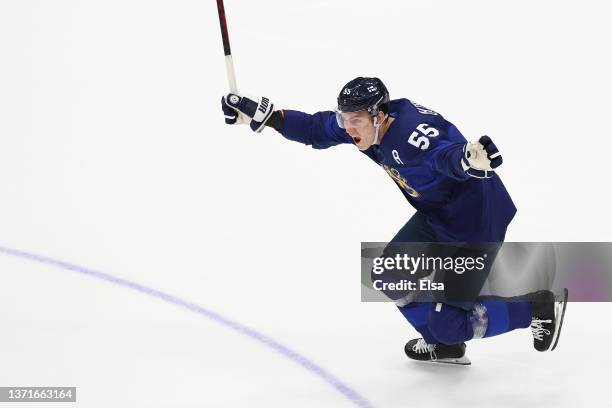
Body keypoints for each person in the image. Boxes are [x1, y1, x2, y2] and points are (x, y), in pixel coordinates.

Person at [220, 77, 567, 365]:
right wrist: (261, 116)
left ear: (379, 115)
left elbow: (442, 154)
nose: (349, 128)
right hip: (438, 214)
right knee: (389, 274)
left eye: (355, 120)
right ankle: (443, 346)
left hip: (475, 225)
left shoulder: (415, 133)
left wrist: (467, 160)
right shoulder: (368, 126)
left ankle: (534, 307)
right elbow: (314, 128)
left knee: (450, 324)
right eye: (345, 119)